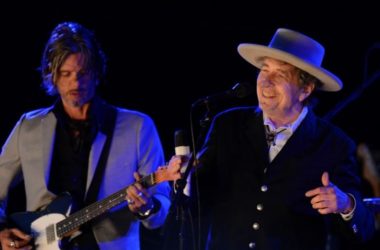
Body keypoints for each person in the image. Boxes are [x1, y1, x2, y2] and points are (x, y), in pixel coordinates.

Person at [179, 28, 376, 249]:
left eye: (280, 75)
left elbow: (364, 232)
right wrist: (184, 180)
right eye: (264, 70)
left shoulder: (335, 145)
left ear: (306, 89)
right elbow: (197, 203)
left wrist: (345, 205)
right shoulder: (227, 125)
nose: (266, 82)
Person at [0, 22, 176, 250]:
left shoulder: (138, 127)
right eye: (65, 73)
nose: (75, 82)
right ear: (51, 75)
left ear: (96, 72)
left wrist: (147, 207)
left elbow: (162, 207)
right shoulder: (28, 127)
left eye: (83, 73)